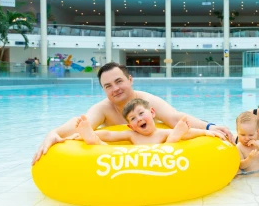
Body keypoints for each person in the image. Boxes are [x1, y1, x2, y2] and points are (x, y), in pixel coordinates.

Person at [32, 62, 233, 165]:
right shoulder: (102, 109)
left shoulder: (146, 101)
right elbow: (80, 124)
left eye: (119, 81)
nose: (115, 89)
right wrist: (53, 133)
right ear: (103, 89)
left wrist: (208, 127)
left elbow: (175, 118)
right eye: (108, 86)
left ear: (130, 79)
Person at [74, 99, 224, 145]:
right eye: (133, 119)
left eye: (141, 114)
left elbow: (189, 134)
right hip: (135, 159)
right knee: (102, 146)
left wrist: (207, 132)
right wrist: (86, 135)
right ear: (130, 126)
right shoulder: (131, 135)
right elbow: (108, 134)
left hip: (162, 155)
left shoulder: (162, 133)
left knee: (172, 140)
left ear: (152, 113)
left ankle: (175, 136)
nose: (138, 119)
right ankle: (90, 137)